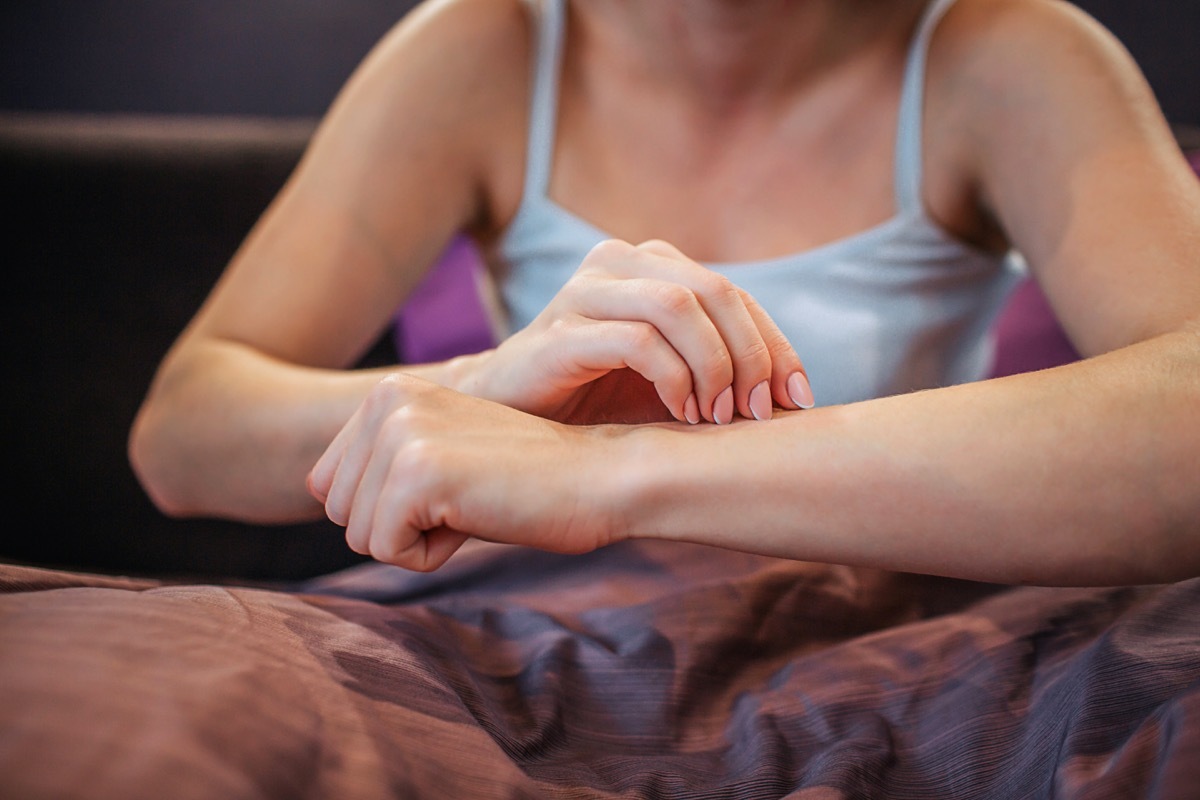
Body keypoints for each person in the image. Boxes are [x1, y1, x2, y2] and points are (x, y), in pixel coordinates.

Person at [128, 0, 1200, 588]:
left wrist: (613, 470)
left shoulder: (1006, 51)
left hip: (872, 642)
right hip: (521, 640)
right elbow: (183, 430)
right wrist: (479, 390)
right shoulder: (478, 49)